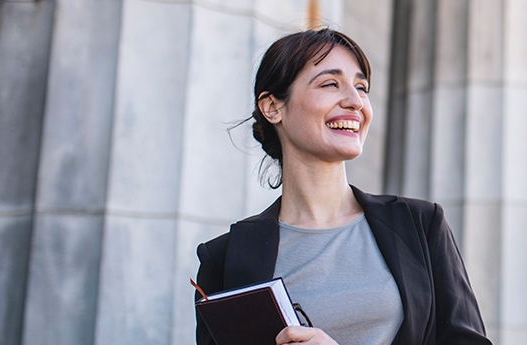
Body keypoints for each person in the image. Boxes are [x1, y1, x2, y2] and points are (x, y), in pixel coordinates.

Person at [194, 28, 490, 345]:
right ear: (272, 107)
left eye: (361, 88)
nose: (355, 102)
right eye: (331, 84)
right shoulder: (225, 258)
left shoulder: (420, 224)